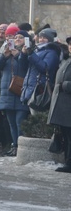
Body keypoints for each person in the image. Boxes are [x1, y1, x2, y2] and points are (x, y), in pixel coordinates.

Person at [0, 27, 30, 156]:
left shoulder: (27, 53)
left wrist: (18, 56)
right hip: (7, 91)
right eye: (15, 38)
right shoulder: (8, 51)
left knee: (19, 121)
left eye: (20, 38)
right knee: (11, 122)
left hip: (20, 90)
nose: (17, 39)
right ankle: (14, 145)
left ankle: (21, 148)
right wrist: (4, 56)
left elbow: (25, 67)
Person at [19, 28, 61, 115]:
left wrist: (31, 54)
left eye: (44, 38)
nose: (41, 39)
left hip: (40, 91)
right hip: (30, 90)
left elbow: (45, 68)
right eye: (40, 37)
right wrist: (23, 54)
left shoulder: (52, 53)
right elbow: (23, 66)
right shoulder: (36, 50)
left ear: (50, 39)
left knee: (38, 121)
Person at [48, 36, 71, 173]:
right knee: (67, 136)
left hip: (68, 106)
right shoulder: (67, 61)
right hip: (63, 106)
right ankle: (67, 161)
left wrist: (66, 85)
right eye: (69, 44)